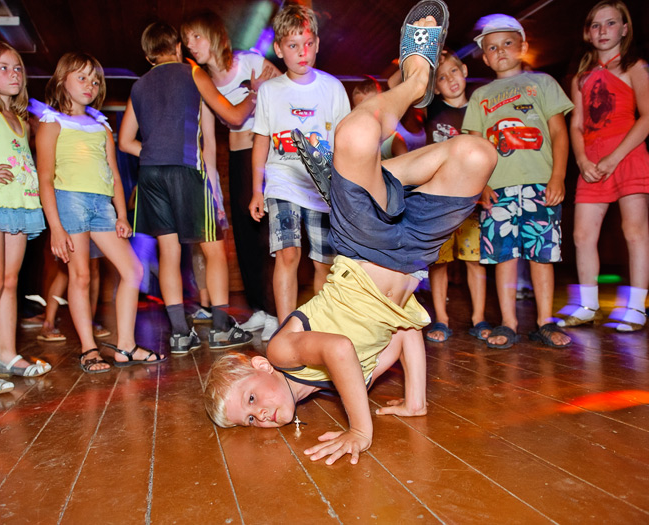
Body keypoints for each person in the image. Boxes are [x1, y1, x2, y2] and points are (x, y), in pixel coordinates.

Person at [204, 2, 496, 466]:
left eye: (251, 401)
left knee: (357, 132)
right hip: (412, 255)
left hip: (362, 247)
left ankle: (414, 80)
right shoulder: (352, 380)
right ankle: (364, 176)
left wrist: (360, 429)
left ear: (258, 366)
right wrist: (416, 401)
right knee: (478, 155)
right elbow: (403, 330)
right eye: (251, 420)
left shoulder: (283, 349)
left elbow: (338, 346)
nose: (260, 416)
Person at [118, 21, 255, 353]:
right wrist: (255, 94)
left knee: (169, 252)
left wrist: (151, 153)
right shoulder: (192, 73)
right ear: (177, 47)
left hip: (150, 175)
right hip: (186, 170)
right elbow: (234, 117)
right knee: (213, 247)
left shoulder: (139, 86)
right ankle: (221, 328)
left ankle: (180, 333)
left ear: (149, 55)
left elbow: (124, 142)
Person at [35, 52, 164, 372]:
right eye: (82, 78)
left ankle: (125, 347)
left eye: (95, 80)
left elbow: (115, 175)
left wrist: (121, 215)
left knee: (133, 270)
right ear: (62, 80)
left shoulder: (101, 126)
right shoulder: (51, 123)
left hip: (102, 205)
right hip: (70, 201)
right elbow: (45, 179)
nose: (90, 85)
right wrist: (56, 227)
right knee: (79, 275)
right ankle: (89, 349)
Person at [462, 14, 574, 349]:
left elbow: (558, 132)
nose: (500, 51)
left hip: (540, 185)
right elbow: (475, 146)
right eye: (492, 48)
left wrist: (558, 176)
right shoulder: (480, 94)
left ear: (523, 47)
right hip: (498, 191)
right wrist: (479, 185)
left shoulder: (542, 83)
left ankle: (544, 321)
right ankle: (508, 322)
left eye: (508, 43)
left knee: (542, 255)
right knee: (504, 256)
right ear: (484, 57)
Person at [555, 1, 649, 332]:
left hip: (628, 156)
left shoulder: (635, 67)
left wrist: (615, 158)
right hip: (593, 162)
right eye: (596, 25)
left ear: (624, 28)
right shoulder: (582, 77)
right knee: (582, 234)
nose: (602, 31)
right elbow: (577, 126)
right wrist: (582, 159)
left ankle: (637, 308)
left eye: (610, 24)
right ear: (587, 32)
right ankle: (587, 305)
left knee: (634, 230)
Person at [182, 11, 281, 341]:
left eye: (196, 36)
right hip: (238, 159)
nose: (190, 45)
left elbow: (284, 92)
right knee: (245, 240)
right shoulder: (203, 83)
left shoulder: (249, 62)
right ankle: (259, 310)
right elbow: (209, 144)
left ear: (213, 35)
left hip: (267, 157)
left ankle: (278, 313)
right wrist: (214, 192)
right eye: (187, 41)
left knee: (268, 237)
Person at [248, 4, 350, 322]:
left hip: (323, 191)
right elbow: (261, 140)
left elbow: (346, 142)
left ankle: (319, 328)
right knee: (287, 254)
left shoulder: (333, 88)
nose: (302, 52)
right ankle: (285, 330)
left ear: (317, 44)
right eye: (293, 45)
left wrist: (347, 190)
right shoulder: (270, 92)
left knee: (324, 262)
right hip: (282, 184)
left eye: (308, 44)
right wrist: (256, 190)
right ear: (279, 49)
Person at [0, 40, 49, 395]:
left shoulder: (20, 121)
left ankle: (5, 353)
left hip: (19, 208)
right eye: (2, 68)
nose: (13, 74)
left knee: (10, 282)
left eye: (17, 67)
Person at [424, 52, 490, 343]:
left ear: (464, 70)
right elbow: (393, 81)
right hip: (438, 198)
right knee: (439, 262)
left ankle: (479, 318)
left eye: (454, 71)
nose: (450, 79)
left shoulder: (480, 109)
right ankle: (441, 319)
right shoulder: (432, 108)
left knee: (474, 261)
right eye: (442, 76)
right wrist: (428, 54)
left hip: (472, 201)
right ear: (434, 86)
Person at [351, 77, 408, 159]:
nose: (367, 114)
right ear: (353, 110)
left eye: (371, 108)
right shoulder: (353, 137)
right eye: (360, 109)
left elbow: (405, 168)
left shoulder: (393, 140)